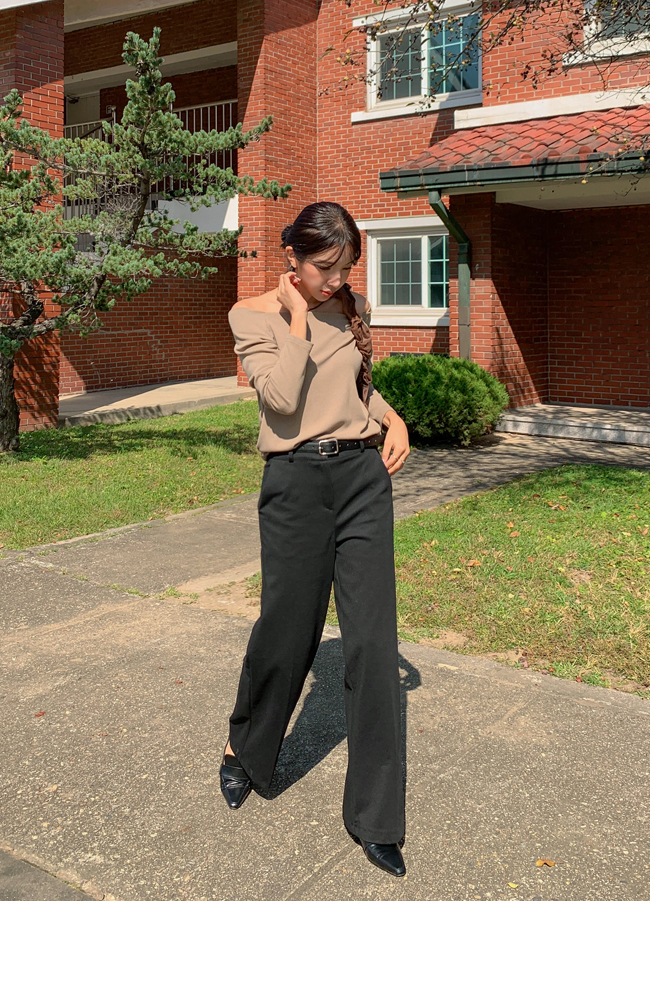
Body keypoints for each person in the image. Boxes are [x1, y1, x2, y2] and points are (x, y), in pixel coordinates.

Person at [220, 201, 413, 878]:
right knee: (287, 629)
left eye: (346, 268)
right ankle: (246, 748)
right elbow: (280, 400)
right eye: (325, 268)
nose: (336, 281)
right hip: (296, 485)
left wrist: (392, 418)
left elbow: (353, 389)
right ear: (292, 261)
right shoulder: (252, 316)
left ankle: (376, 818)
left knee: (373, 644)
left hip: (362, 480)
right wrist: (299, 321)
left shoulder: (350, 310)